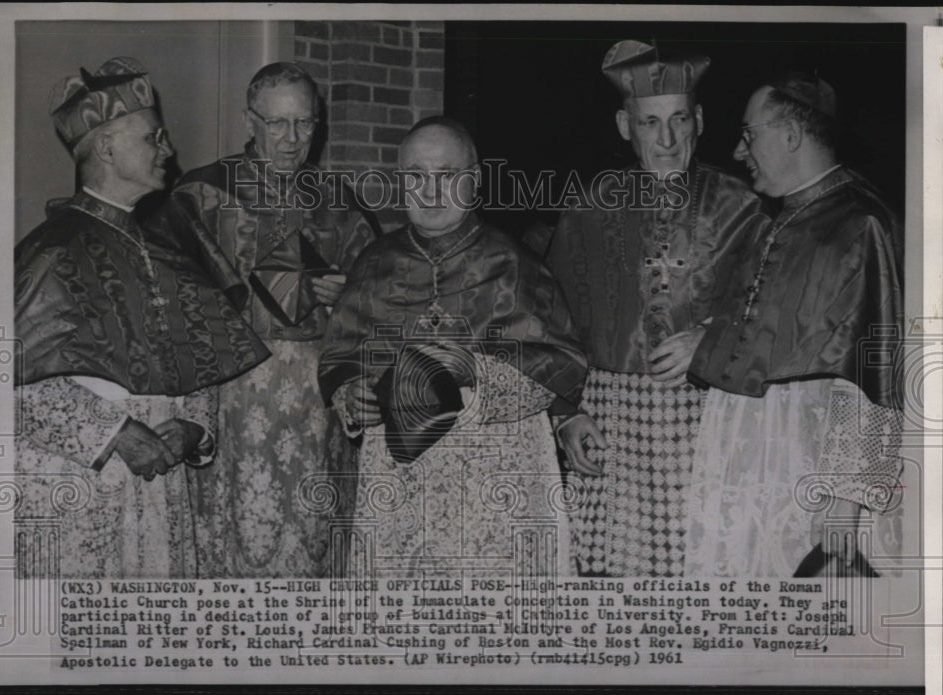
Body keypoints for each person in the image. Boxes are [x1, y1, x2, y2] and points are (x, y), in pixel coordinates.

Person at [14, 57, 269, 578]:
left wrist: (194, 427)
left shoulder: (169, 248)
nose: (169, 151)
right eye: (154, 138)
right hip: (82, 485)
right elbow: (3, 381)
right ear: (106, 148)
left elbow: (200, 357)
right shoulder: (49, 252)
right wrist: (114, 432)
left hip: (162, 488)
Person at [318, 117, 587, 579]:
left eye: (446, 175)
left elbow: (560, 365)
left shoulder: (513, 262)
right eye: (416, 176)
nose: (431, 190)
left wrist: (471, 370)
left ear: (475, 180)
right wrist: (352, 393)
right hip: (400, 472)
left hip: (494, 469)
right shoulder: (375, 263)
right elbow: (342, 354)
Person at [546, 40, 767, 576]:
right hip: (610, 427)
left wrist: (711, 337)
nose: (666, 140)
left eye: (678, 120)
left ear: (699, 121)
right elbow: (548, 323)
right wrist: (565, 414)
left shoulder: (744, 206)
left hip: (710, 420)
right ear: (626, 126)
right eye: (649, 123)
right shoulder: (589, 207)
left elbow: (779, 315)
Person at [685, 72, 904, 577]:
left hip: (809, 453)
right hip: (758, 446)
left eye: (749, 134)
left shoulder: (860, 223)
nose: (740, 153)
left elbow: (873, 369)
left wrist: (846, 493)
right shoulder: (782, 218)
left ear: (790, 136)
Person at [173, 62, 379, 577]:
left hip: (318, 397)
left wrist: (345, 298)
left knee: (312, 532)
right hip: (232, 390)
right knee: (237, 527)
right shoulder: (201, 195)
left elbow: (380, 304)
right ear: (249, 121)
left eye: (304, 124)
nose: (291, 140)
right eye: (277, 124)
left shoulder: (339, 203)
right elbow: (172, 303)